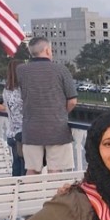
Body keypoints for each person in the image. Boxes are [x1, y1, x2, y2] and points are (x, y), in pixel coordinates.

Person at [19, 37, 78, 174]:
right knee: (55, 170)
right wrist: (61, 113)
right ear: (47, 50)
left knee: (32, 170)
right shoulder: (61, 70)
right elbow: (73, 100)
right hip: (57, 128)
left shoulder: (21, 71)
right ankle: (52, 195)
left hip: (31, 128)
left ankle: (31, 195)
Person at [3, 60, 26, 176]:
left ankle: (14, 191)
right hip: (21, 134)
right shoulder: (21, 91)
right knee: (24, 168)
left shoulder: (6, 90)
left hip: (11, 133)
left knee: (16, 166)